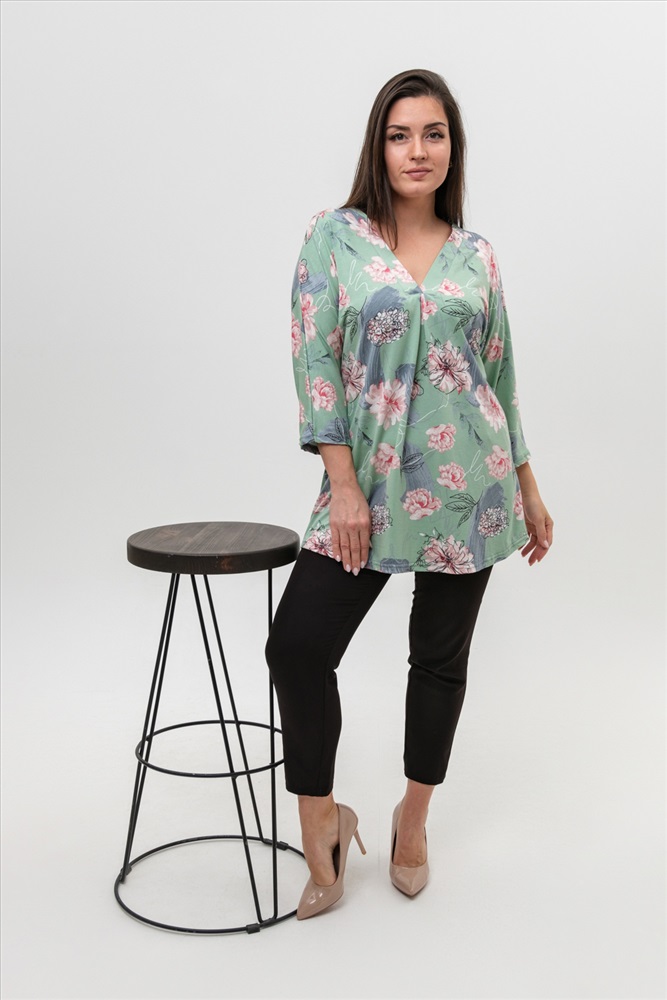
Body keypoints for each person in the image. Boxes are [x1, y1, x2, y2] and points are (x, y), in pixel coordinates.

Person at [265, 68, 553, 920]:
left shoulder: (476, 255)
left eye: (432, 134)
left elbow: (499, 375)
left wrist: (529, 486)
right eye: (399, 135)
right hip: (367, 486)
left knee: (437, 661)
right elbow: (315, 362)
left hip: (474, 488)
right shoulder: (335, 239)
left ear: (451, 147)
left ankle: (413, 818)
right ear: (377, 147)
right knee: (297, 649)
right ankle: (322, 820)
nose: (416, 150)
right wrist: (341, 485)